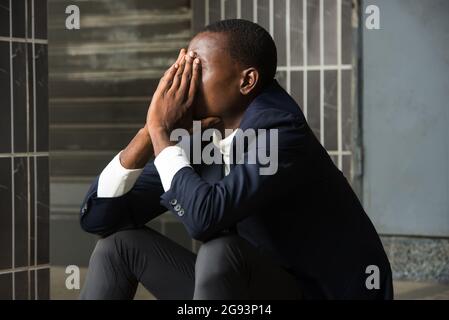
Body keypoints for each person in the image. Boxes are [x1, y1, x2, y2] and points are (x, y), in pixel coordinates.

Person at [78, 19, 393, 300]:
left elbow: (205, 219)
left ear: (247, 81)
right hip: (251, 292)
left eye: (198, 68)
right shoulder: (204, 130)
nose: (183, 81)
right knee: (117, 247)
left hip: (320, 292)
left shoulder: (279, 128)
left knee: (219, 252)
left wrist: (162, 130)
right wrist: (149, 133)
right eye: (183, 66)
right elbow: (98, 218)